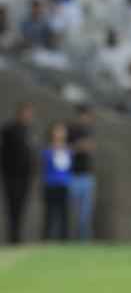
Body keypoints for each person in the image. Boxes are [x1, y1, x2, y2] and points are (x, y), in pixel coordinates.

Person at [0, 102, 35, 244]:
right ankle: (13, 237)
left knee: (21, 207)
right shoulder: (8, 130)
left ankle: (17, 236)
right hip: (11, 176)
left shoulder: (29, 131)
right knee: (12, 207)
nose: (28, 116)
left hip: (25, 176)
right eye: (26, 113)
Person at [68, 104, 96, 241]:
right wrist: (79, 146)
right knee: (72, 212)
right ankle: (69, 239)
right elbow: (66, 150)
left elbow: (91, 148)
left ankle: (83, 241)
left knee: (85, 213)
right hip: (73, 175)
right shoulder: (71, 130)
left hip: (87, 176)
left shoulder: (90, 131)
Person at [41, 121, 72, 241]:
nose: (60, 134)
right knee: (49, 213)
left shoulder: (68, 150)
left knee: (64, 214)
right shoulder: (48, 150)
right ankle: (46, 239)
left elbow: (67, 167)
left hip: (64, 184)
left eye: (62, 131)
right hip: (50, 184)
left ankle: (64, 240)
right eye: (57, 131)